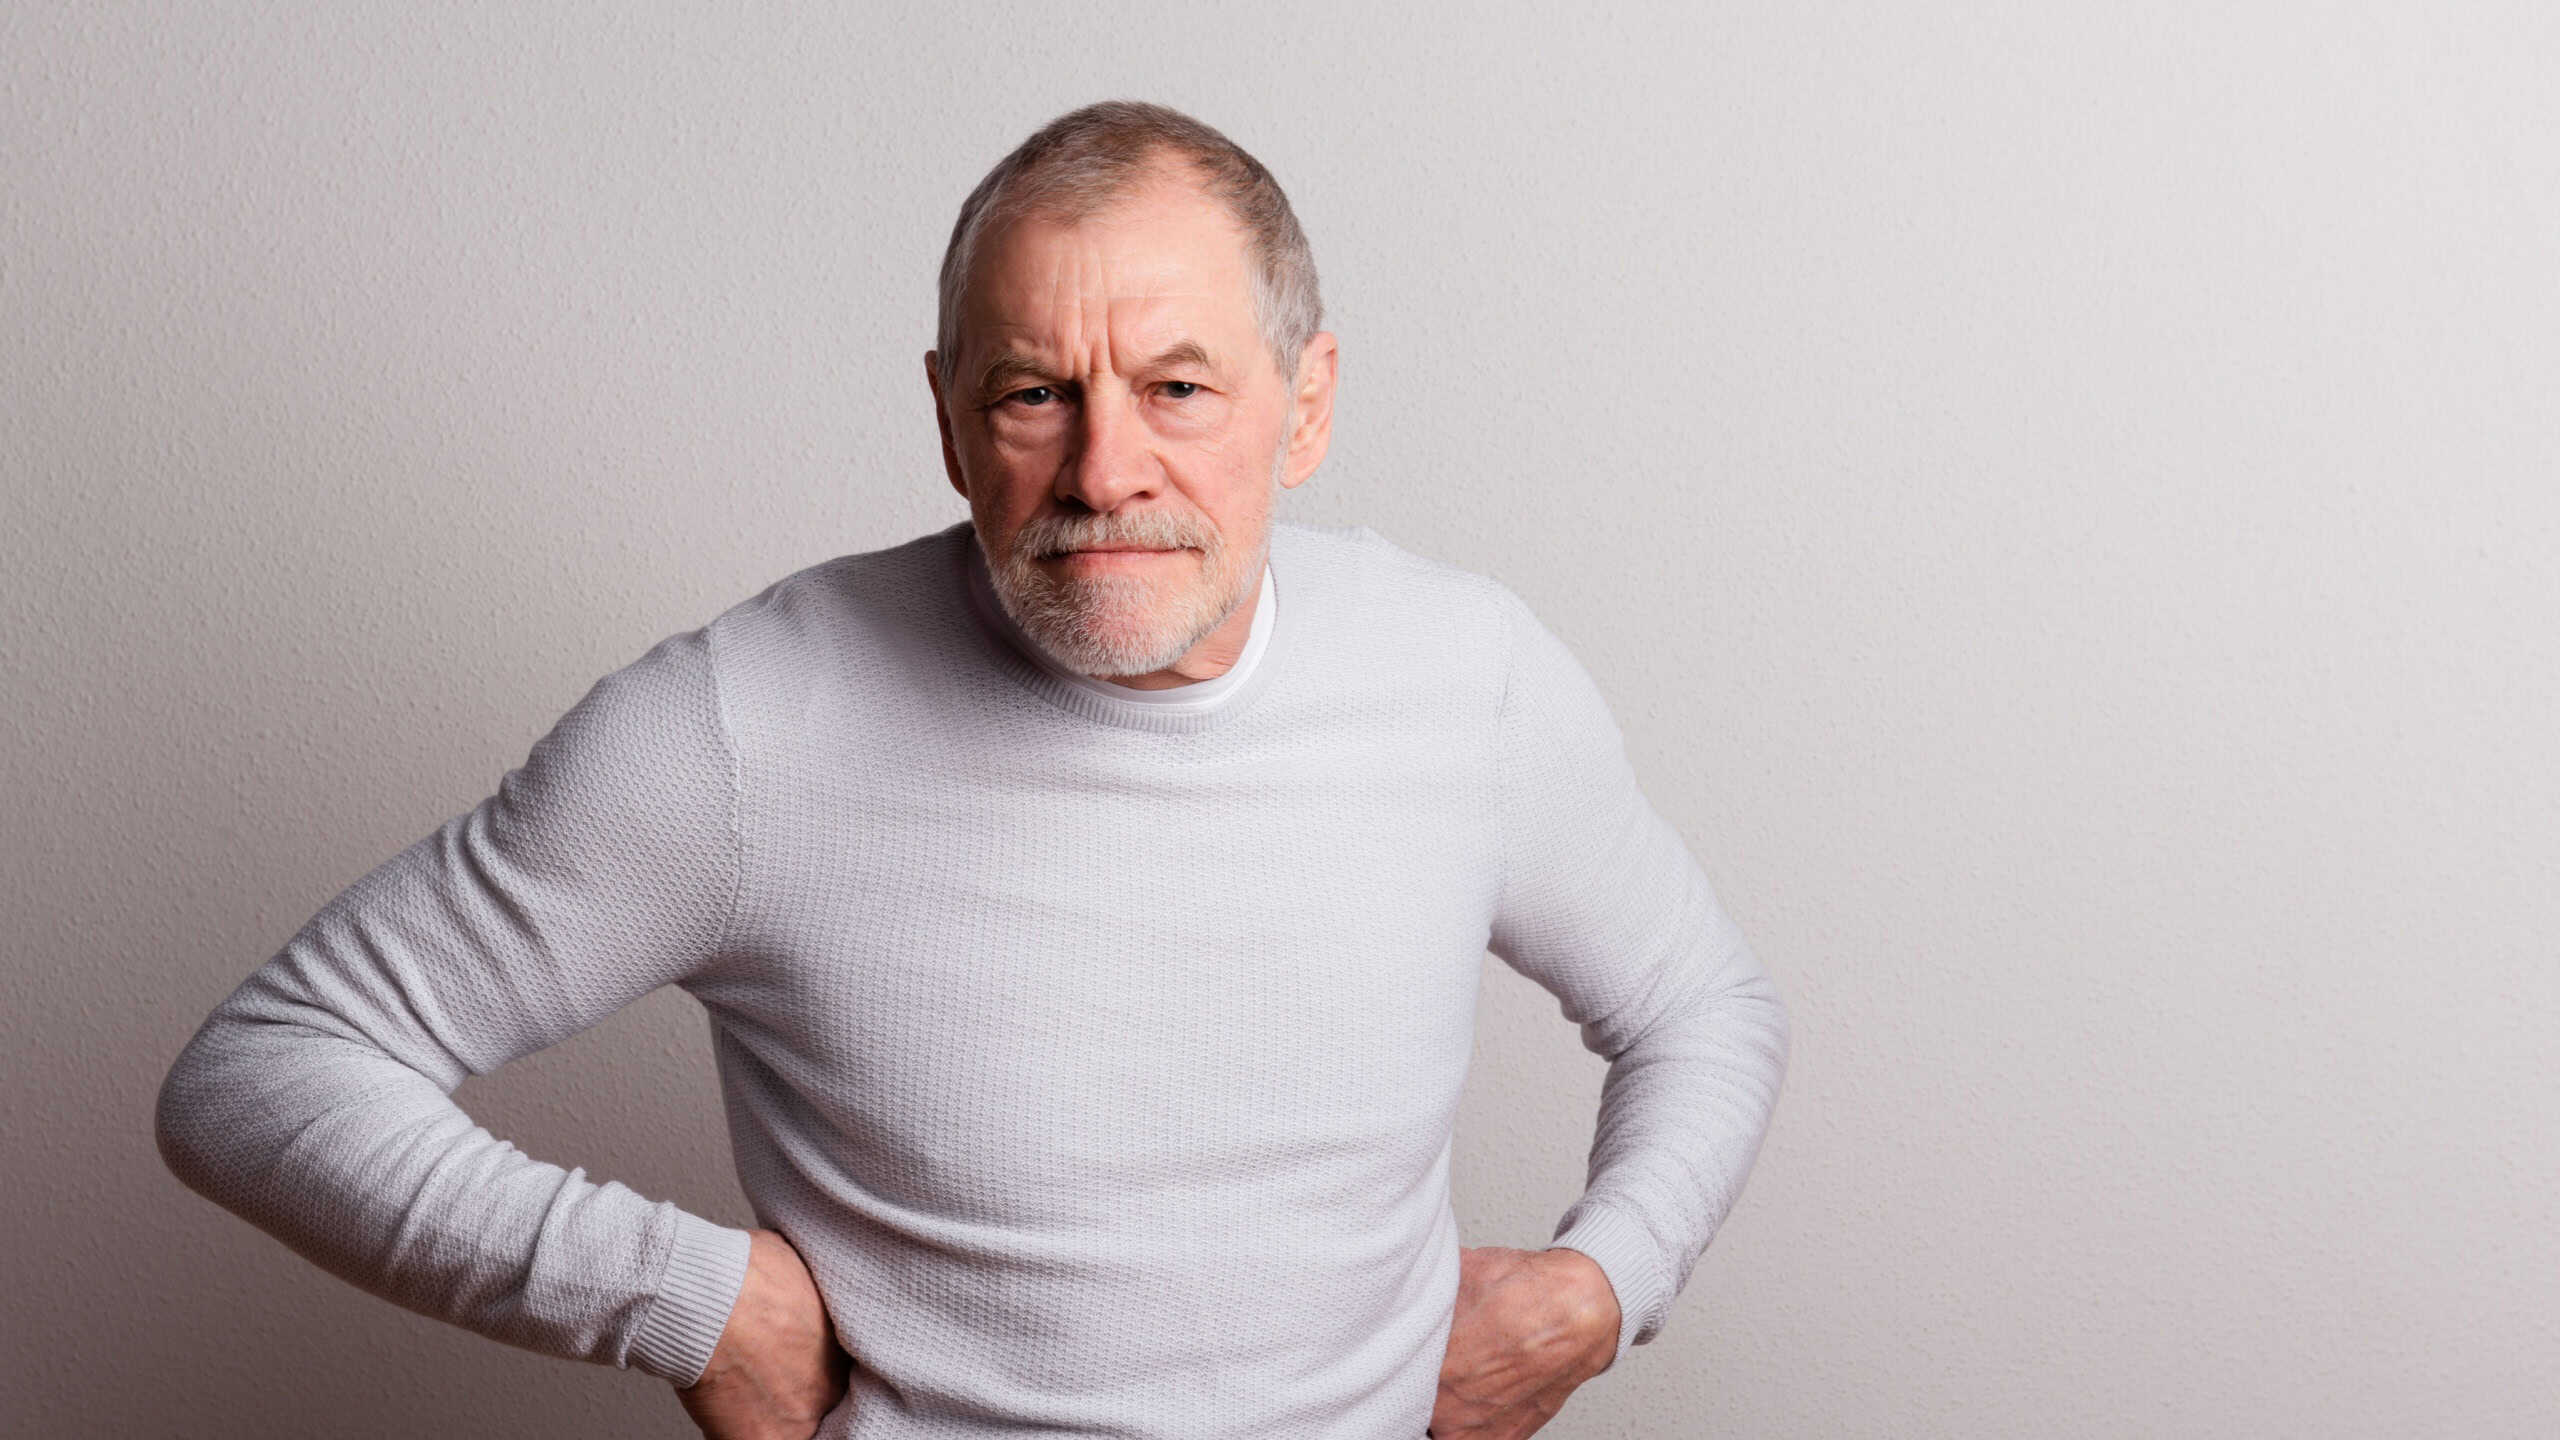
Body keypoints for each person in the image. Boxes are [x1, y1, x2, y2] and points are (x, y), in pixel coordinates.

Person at [155, 99, 1789, 1440]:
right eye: (1035, 394)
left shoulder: (1465, 676)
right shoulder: (746, 726)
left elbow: (1702, 1004)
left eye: (1177, 388)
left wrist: (1604, 1283)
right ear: (949, 420)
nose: (1105, 468)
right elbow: (266, 1072)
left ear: (1305, 408)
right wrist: (676, 1294)